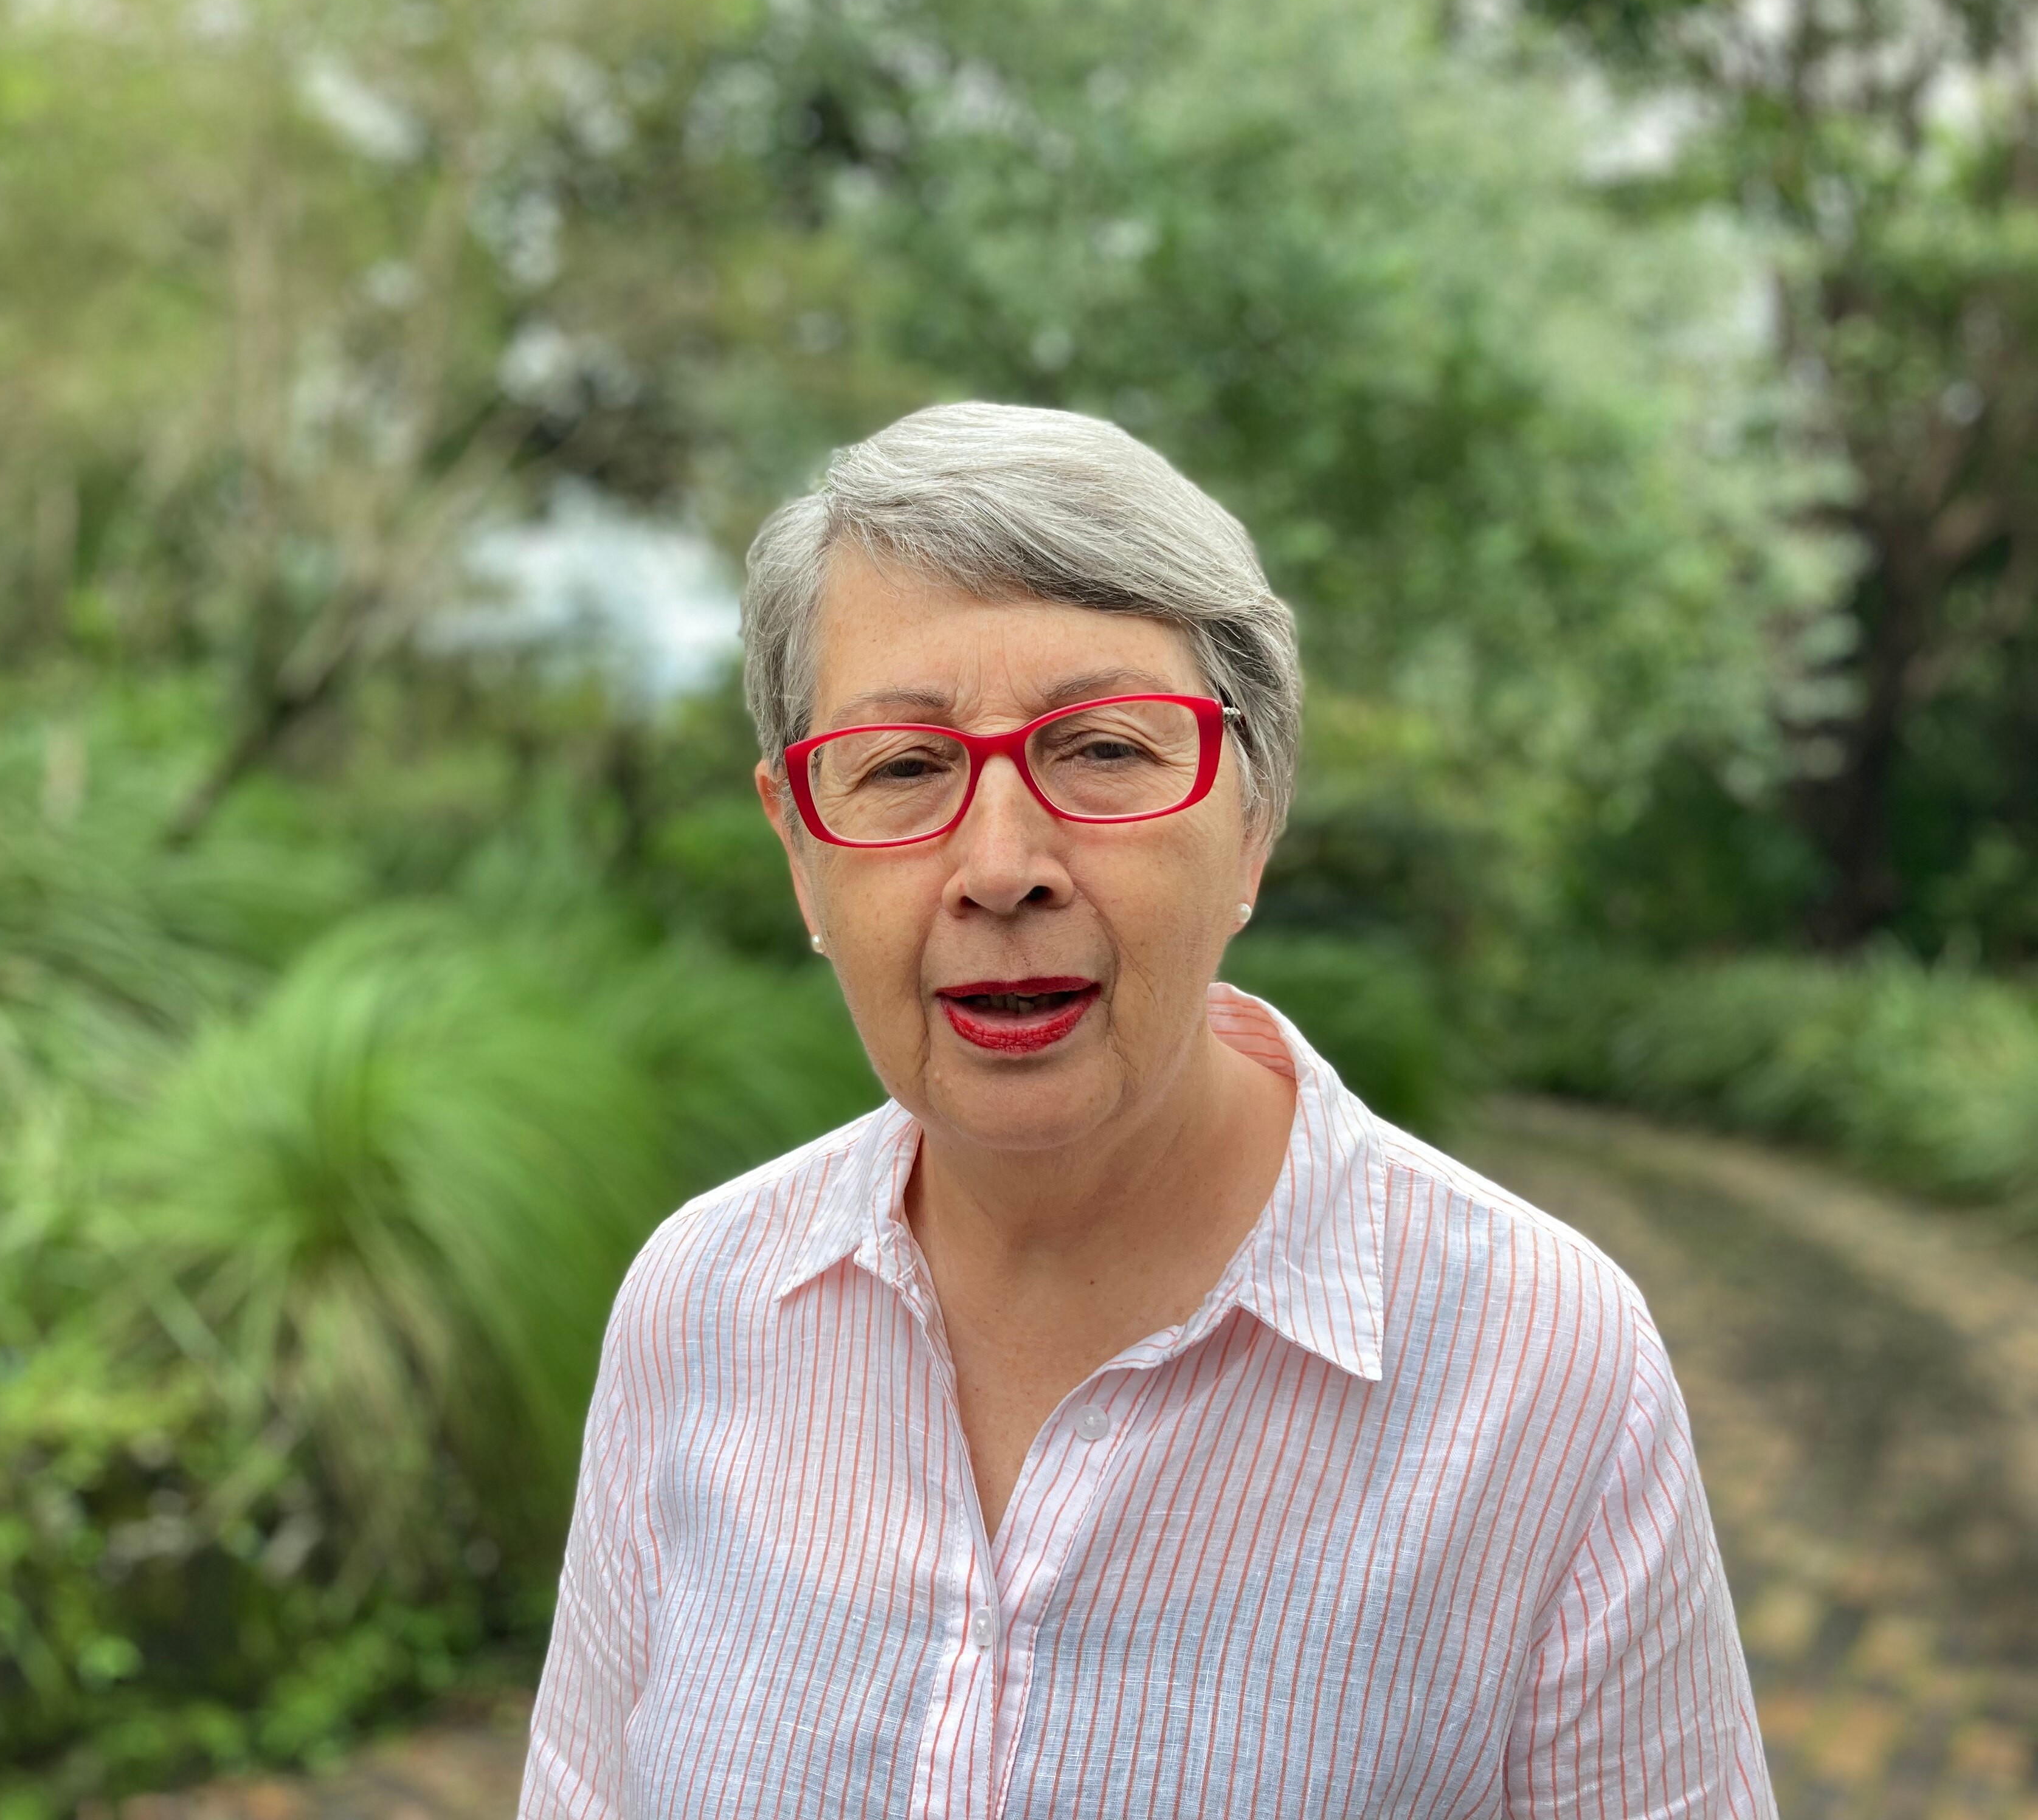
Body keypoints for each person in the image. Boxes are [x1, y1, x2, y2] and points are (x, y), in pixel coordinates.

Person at [520, 403, 1774, 1819]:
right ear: (803, 853)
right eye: (907, 768)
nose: (1002, 867)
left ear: (1255, 813)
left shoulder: (1544, 1364)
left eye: (1104, 749)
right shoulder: (699, 1306)